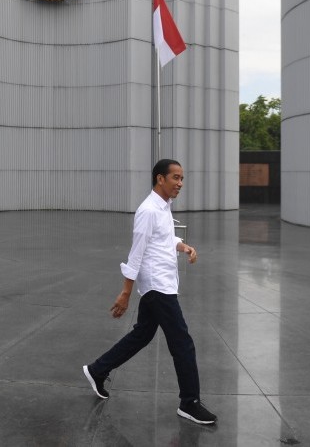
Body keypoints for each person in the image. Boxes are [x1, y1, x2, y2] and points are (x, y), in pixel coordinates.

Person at [82, 159, 218, 425]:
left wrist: (183, 246)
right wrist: (125, 292)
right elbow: (137, 252)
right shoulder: (148, 210)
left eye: (182, 178)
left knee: (142, 335)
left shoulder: (163, 207)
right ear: (160, 179)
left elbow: (165, 238)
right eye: (175, 178)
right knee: (183, 343)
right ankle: (189, 402)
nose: (180, 183)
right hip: (158, 287)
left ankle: (97, 370)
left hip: (163, 283)